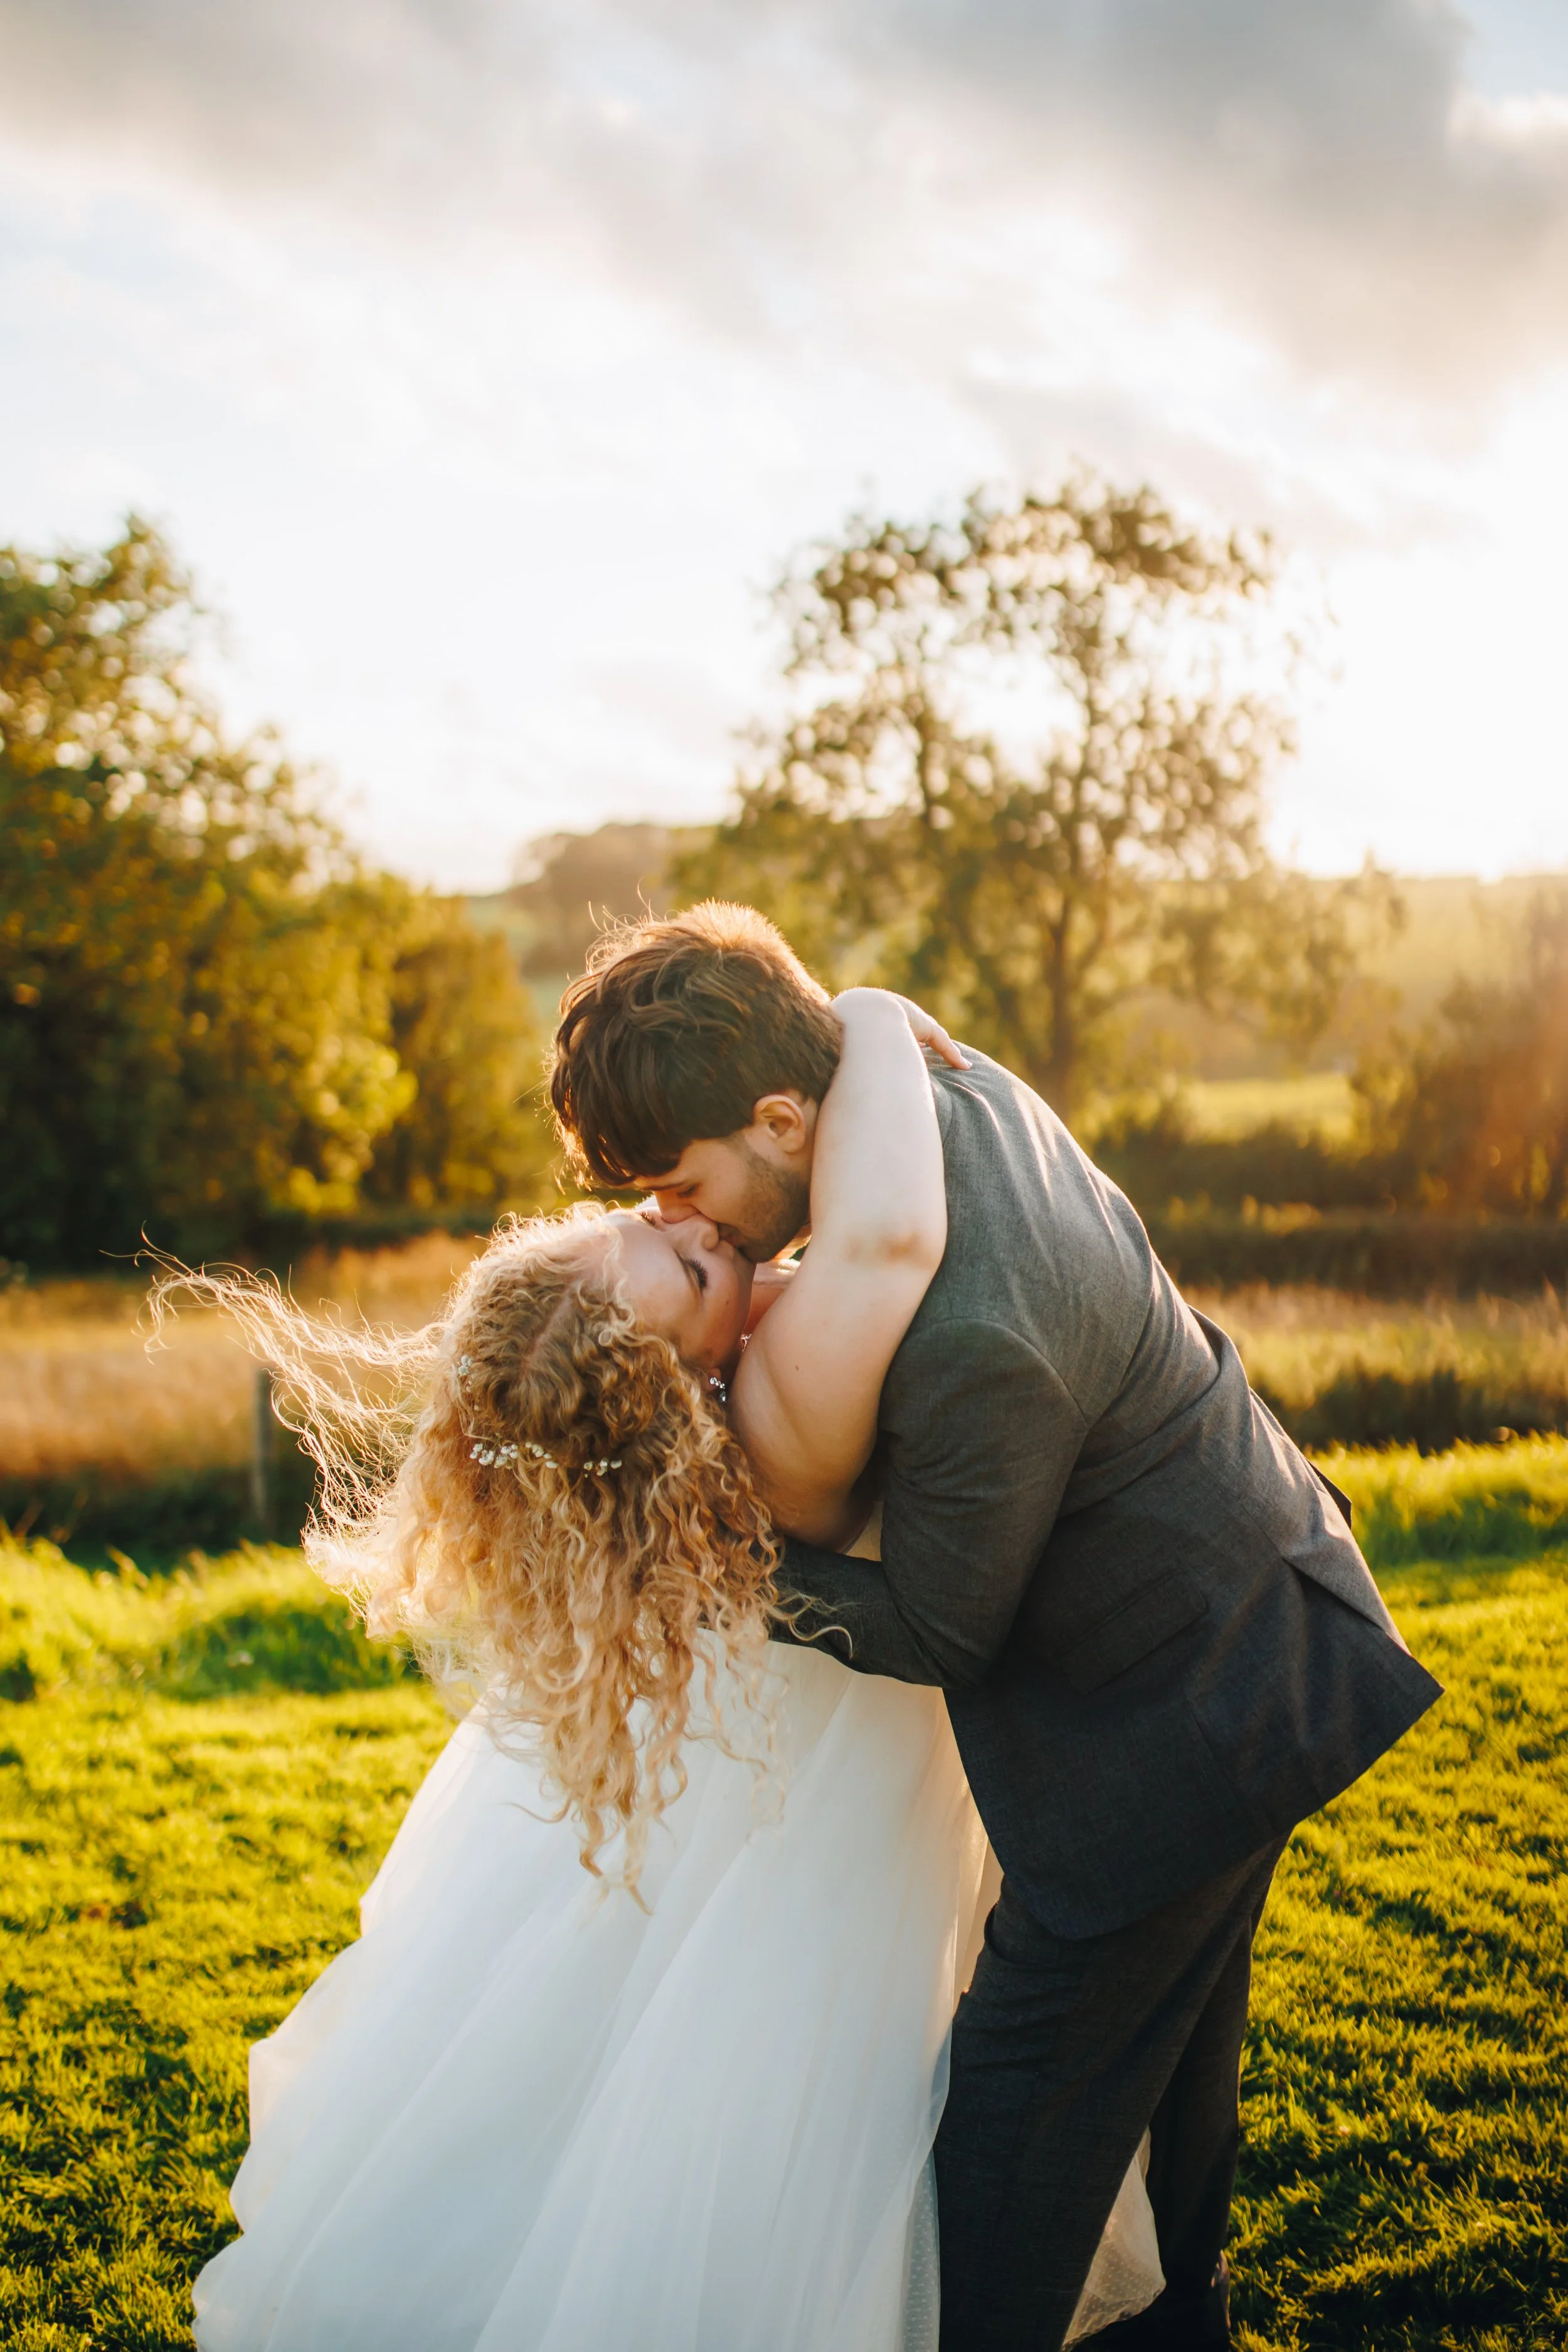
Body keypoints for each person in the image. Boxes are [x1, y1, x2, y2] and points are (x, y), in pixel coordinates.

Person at [183, 983, 1161, 2352]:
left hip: (793, 1757)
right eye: (690, 1269)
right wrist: (870, 1018)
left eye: (652, 1221)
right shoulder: (782, 1402)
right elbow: (883, 1238)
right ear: (668, 1388)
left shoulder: (721, 1390)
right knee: (776, 2099)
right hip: (836, 1790)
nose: (697, 1229)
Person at [548, 901, 1444, 2352]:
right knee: (1160, 2115)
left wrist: (705, 1563)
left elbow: (940, 1624)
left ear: (783, 1116)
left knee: (1007, 2167)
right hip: (1249, 1621)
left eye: (681, 1182)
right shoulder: (931, 1087)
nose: (676, 1221)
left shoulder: (968, 1329)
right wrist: (879, 1003)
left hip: (1191, 1710)